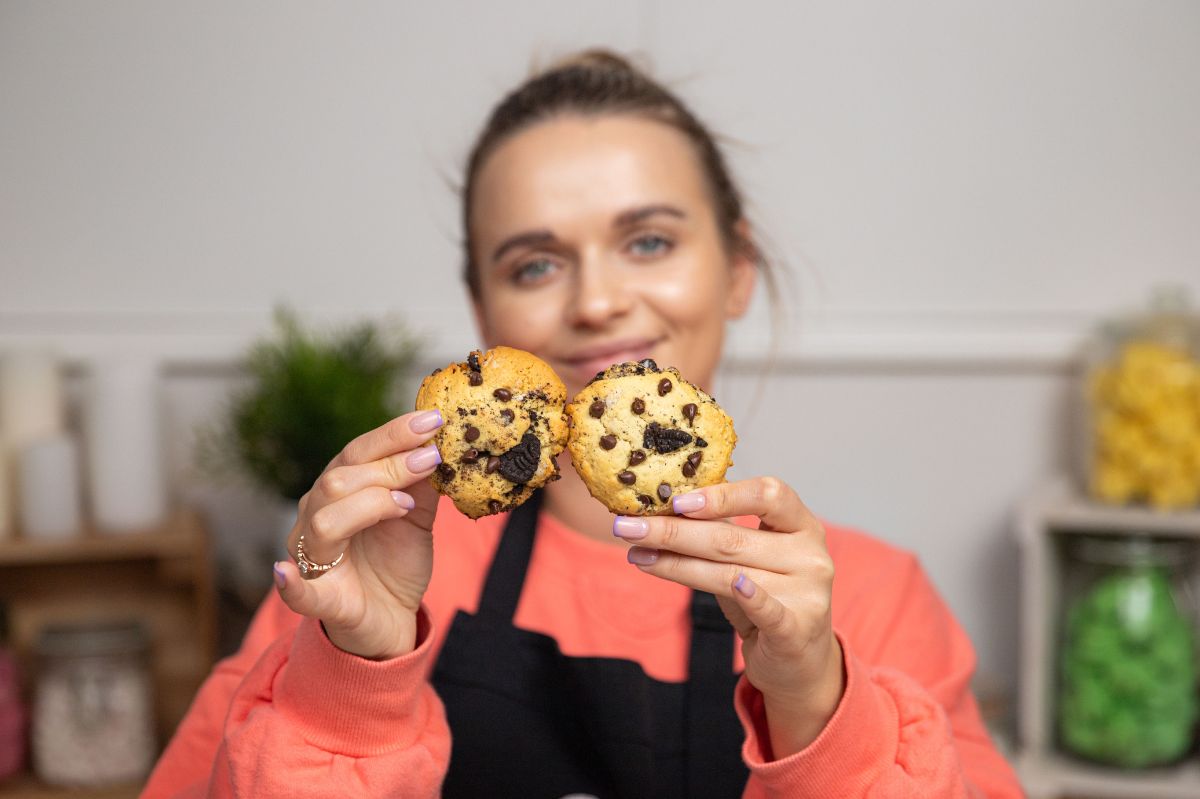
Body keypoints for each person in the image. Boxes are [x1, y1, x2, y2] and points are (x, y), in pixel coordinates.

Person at [143, 50, 1024, 798]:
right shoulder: (361, 574)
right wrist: (349, 676)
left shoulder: (873, 596)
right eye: (534, 264)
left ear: (737, 268)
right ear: (484, 313)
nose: (598, 302)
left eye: (649, 241)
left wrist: (819, 705)